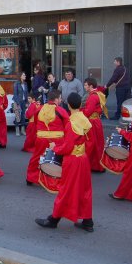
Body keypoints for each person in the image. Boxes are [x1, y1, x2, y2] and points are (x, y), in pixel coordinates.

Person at [35, 93, 94, 232]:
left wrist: (55, 147)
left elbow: (67, 147)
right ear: (80, 104)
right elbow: (88, 140)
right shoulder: (83, 118)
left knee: (65, 190)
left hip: (73, 160)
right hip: (83, 158)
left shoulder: (71, 123)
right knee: (85, 190)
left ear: (68, 105)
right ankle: (88, 221)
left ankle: (54, 219)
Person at [26, 90, 68, 185]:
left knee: (37, 157)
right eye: (60, 98)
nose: (60, 100)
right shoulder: (61, 110)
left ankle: (31, 177)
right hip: (57, 140)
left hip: (41, 138)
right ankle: (55, 179)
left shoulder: (40, 109)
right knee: (58, 160)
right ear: (56, 99)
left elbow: (36, 122)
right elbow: (67, 126)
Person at [82, 78, 107, 173]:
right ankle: (96, 165)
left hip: (91, 122)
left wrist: (79, 112)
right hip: (96, 121)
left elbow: (88, 112)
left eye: (85, 85)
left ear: (91, 86)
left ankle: (87, 164)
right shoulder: (97, 94)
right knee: (97, 143)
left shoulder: (92, 96)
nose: (84, 87)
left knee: (90, 143)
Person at [13, 72, 29, 137]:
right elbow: (15, 94)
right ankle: (17, 130)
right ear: (20, 76)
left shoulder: (25, 84)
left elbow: (26, 93)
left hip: (23, 101)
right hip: (17, 101)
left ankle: (22, 130)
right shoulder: (16, 84)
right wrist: (17, 103)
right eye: (23, 75)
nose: (25, 76)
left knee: (23, 116)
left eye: (25, 75)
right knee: (17, 116)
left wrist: (27, 102)